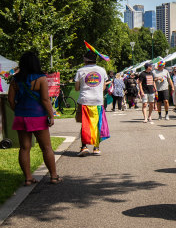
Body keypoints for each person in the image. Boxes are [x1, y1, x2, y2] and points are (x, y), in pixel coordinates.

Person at [8, 51, 61, 185]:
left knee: (24, 148)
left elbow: (10, 100)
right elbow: (45, 99)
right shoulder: (41, 78)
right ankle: (54, 176)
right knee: (46, 147)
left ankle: (28, 178)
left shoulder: (15, 79)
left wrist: (18, 110)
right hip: (37, 116)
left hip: (21, 116)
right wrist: (51, 115)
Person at [74, 50, 109, 156]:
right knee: (97, 123)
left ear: (85, 59)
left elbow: (76, 88)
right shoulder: (102, 70)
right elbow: (103, 87)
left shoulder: (80, 71)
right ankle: (96, 148)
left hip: (84, 101)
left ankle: (84, 147)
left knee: (85, 124)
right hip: (98, 101)